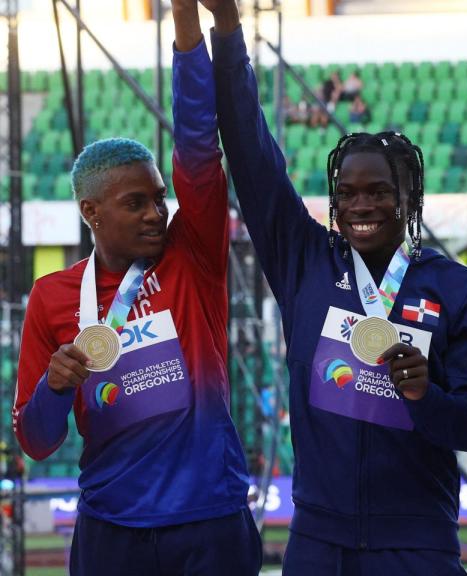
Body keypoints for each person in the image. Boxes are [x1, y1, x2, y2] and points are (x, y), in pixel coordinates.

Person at [201, 1, 467, 574]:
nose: (362, 205)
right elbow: (250, 154)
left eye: (380, 191)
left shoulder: (460, 290)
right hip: (318, 541)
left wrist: (425, 395)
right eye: (349, 192)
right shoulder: (305, 261)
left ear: (408, 198)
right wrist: (229, 30)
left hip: (418, 543)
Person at [11, 1, 261, 573]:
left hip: (211, 522)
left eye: (158, 198)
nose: (155, 213)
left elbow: (199, 146)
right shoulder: (51, 298)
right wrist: (53, 386)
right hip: (112, 530)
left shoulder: (192, 256)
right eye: (135, 203)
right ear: (90, 212)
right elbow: (36, 440)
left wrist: (185, 20)